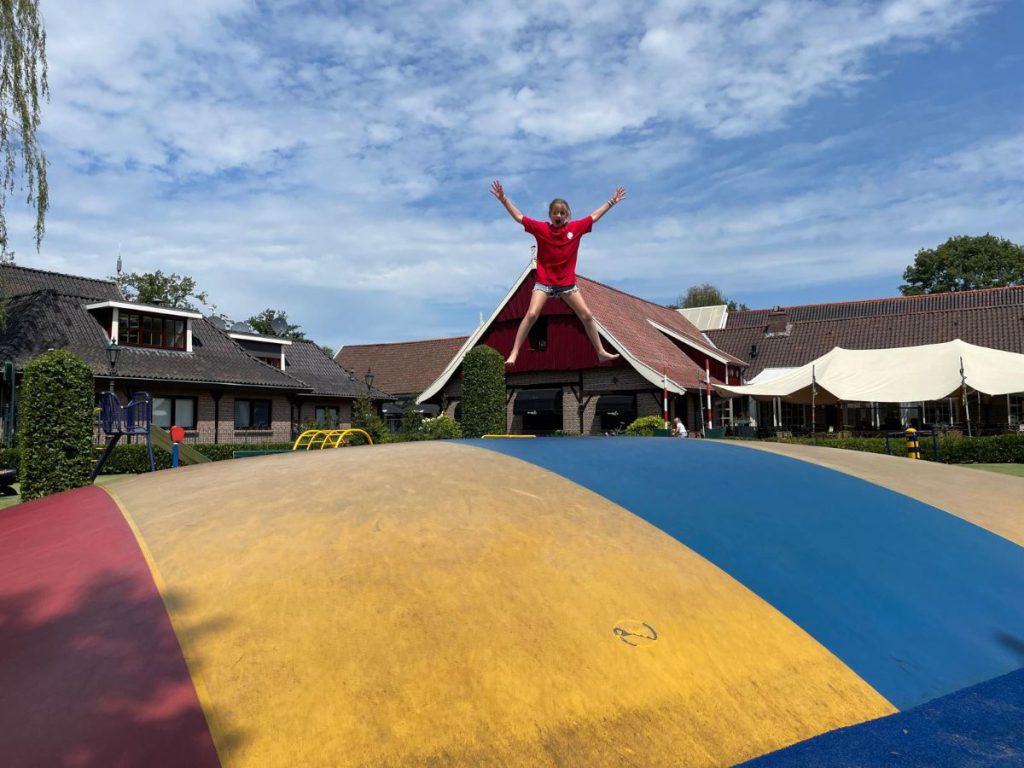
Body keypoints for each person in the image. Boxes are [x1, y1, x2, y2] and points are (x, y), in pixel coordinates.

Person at [491, 179, 625, 366]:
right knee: (531, 315)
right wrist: (503, 199)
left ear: (567, 215)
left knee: (586, 315)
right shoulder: (542, 229)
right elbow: (519, 217)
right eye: (555, 212)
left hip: (567, 285)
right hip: (544, 283)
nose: (559, 215)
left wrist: (612, 202)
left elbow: (594, 216)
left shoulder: (575, 228)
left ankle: (600, 351)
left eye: (562, 213)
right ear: (550, 215)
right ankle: (514, 352)